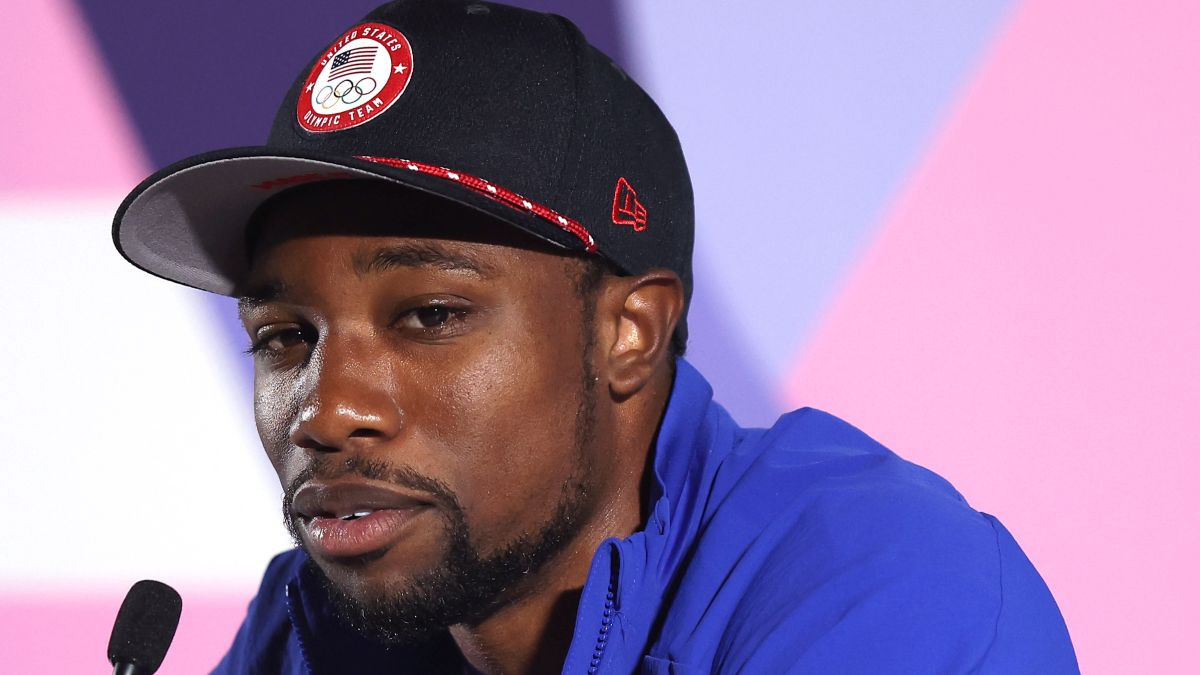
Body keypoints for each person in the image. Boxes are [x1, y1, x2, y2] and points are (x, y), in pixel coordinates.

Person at [112, 1, 1078, 673]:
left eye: (429, 316)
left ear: (631, 332)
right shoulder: (317, 623)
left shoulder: (883, 591)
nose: (328, 411)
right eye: (284, 336)